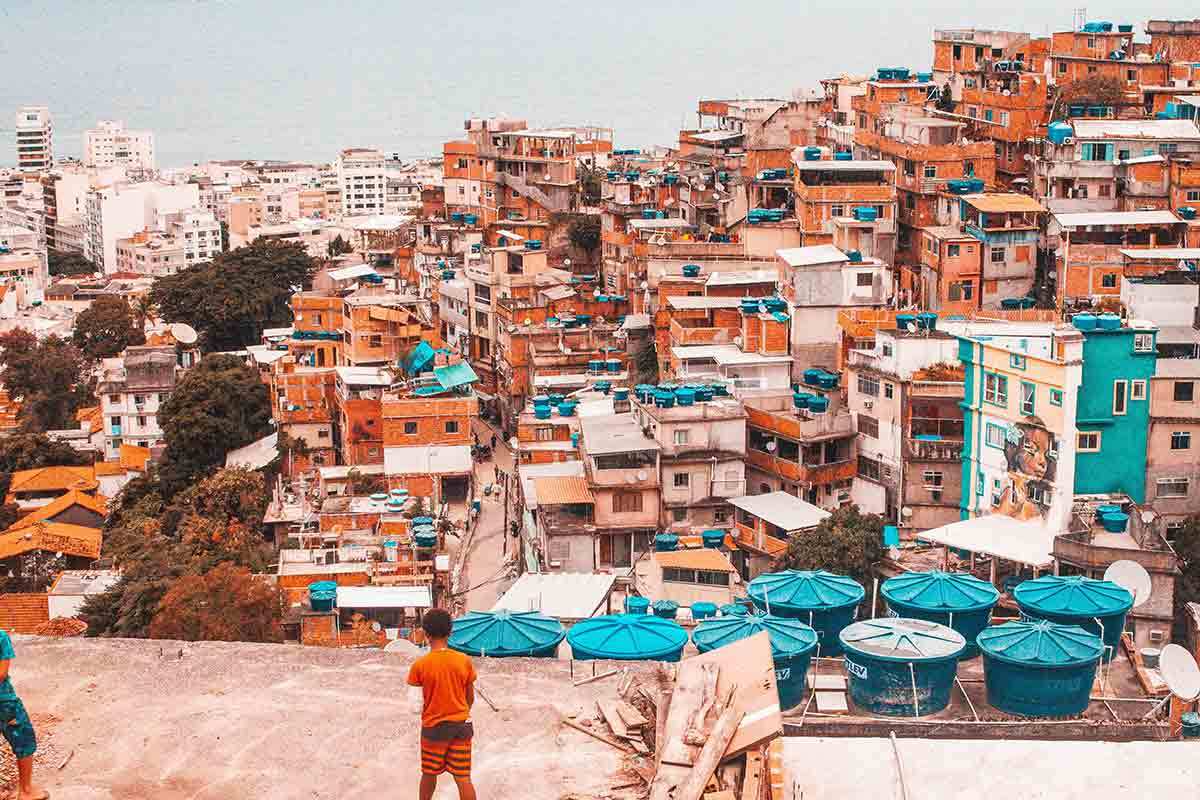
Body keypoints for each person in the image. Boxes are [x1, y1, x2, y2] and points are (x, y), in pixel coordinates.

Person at [408, 609, 477, 800]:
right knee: (463, 777)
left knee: (429, 774)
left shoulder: (420, 665)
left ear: (425, 633)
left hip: (433, 729)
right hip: (462, 726)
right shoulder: (464, 661)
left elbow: (414, 706)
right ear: (450, 632)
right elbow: (470, 698)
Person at [0, 629, 47, 800]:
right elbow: (1, 673)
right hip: (3, 702)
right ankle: (26, 791)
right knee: (24, 740)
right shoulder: (1, 637)